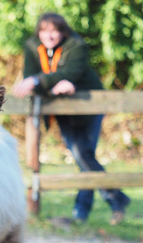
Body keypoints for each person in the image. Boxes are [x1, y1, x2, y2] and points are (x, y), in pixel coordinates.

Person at [12, 12, 130, 225]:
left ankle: (84, 212)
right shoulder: (31, 47)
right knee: (82, 157)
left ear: (63, 32)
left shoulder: (77, 45)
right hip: (61, 109)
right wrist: (45, 84)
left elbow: (71, 72)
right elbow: (33, 79)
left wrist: (39, 80)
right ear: (38, 32)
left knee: (83, 156)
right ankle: (111, 201)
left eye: (54, 31)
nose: (49, 36)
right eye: (44, 31)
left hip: (89, 107)